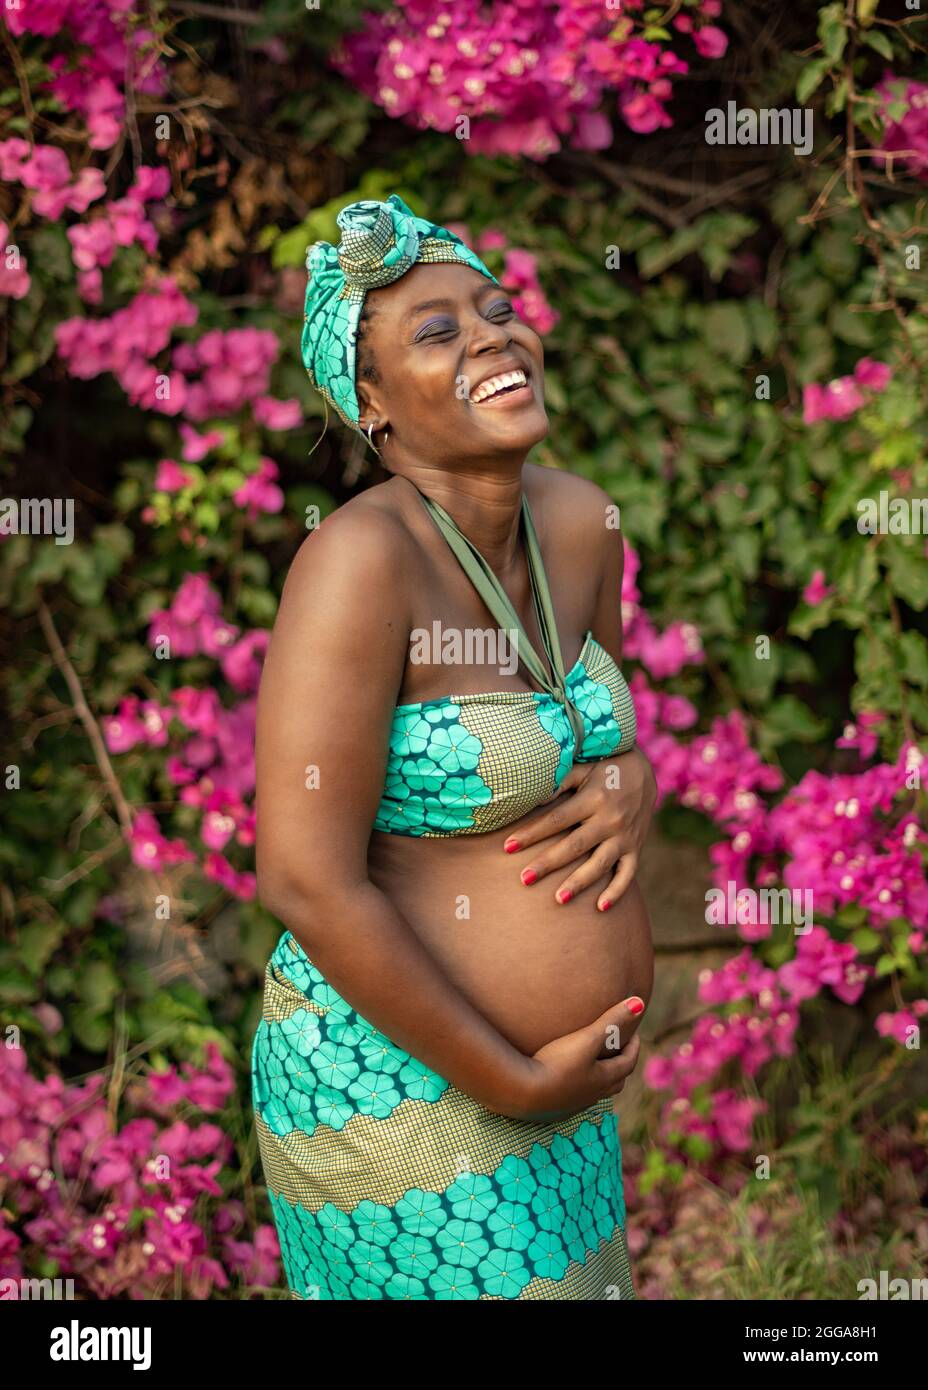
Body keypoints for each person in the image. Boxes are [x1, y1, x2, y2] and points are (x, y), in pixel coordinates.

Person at [252, 195, 656, 1301]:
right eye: (437, 332)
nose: (491, 336)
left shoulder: (578, 520)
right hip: (400, 1088)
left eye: (497, 309)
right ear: (370, 402)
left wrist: (631, 778)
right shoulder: (356, 565)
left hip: (557, 1103)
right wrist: (513, 1077)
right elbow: (302, 877)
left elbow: (595, 735)